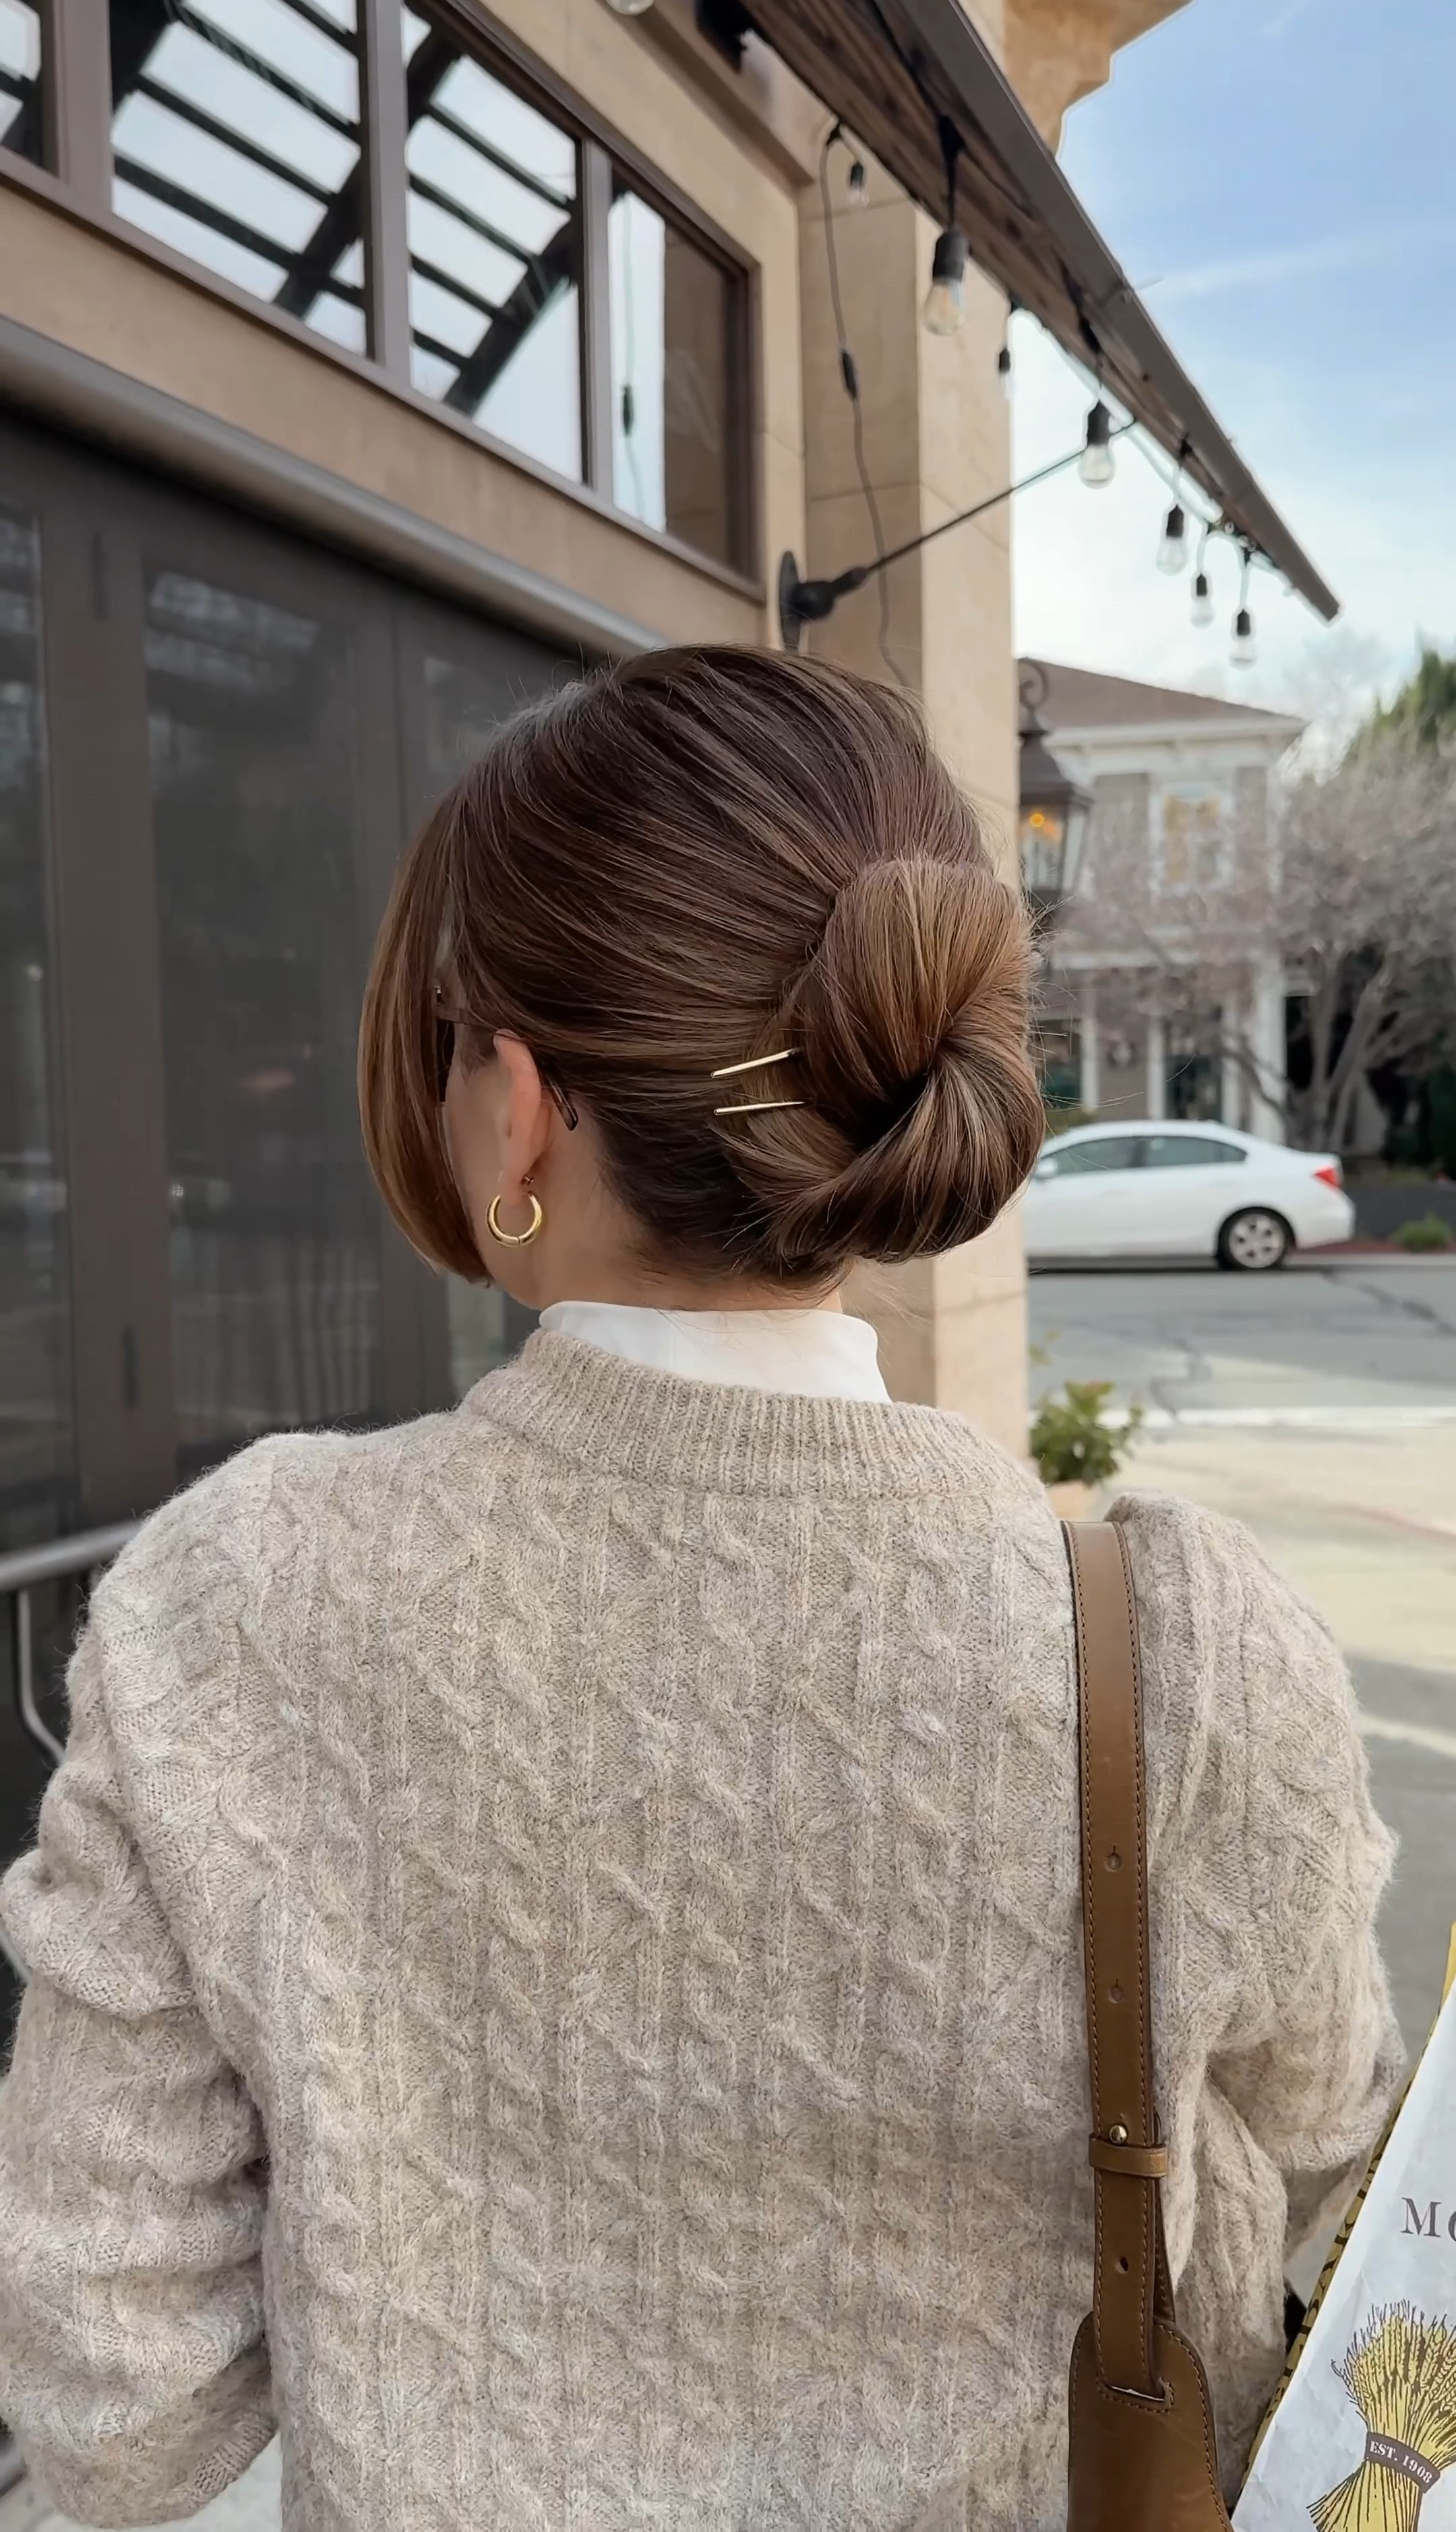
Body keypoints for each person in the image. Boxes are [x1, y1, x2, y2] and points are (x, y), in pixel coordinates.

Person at [0, 649, 1401, 2531]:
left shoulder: (229, 1609)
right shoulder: (1188, 1650)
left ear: (516, 1106)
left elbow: (117, 2411)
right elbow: (1340, 2180)